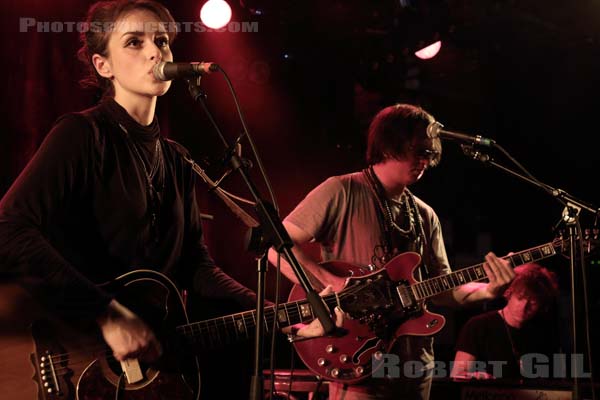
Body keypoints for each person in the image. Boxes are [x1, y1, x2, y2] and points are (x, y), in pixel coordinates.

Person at [0, 0, 339, 395]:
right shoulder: (82, 136)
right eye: (134, 42)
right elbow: (9, 227)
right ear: (102, 66)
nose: (154, 51)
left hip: (150, 375)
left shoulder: (176, 158)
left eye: (161, 40)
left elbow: (198, 269)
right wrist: (106, 315)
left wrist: (284, 317)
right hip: (74, 356)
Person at [267, 103, 516, 400]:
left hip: (415, 367)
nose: (426, 160)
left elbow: (443, 287)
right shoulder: (341, 190)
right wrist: (329, 282)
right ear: (389, 145)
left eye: (430, 153)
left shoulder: (425, 215)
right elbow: (276, 247)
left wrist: (489, 291)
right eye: (419, 150)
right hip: (359, 360)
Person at [451, 263, 560, 380]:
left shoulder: (543, 333)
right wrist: (478, 377)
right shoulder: (478, 326)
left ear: (541, 304)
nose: (523, 307)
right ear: (509, 293)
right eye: (520, 297)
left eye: (533, 302)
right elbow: (457, 376)